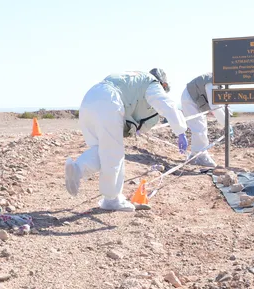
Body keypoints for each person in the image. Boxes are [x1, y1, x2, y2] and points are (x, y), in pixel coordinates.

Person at [65, 69, 188, 212]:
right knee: (113, 154)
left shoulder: (133, 79)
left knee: (101, 149)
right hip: (109, 101)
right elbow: (166, 103)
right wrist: (180, 130)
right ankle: (111, 200)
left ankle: (77, 168)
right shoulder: (152, 83)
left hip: (89, 99)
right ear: (163, 83)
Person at [181, 72, 230, 167]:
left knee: (201, 127)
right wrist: (226, 125)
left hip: (195, 99)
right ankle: (201, 156)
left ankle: (195, 155)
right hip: (190, 99)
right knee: (199, 128)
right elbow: (214, 105)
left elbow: (218, 104)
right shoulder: (212, 82)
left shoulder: (217, 81)